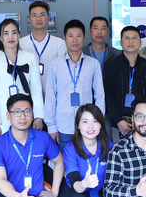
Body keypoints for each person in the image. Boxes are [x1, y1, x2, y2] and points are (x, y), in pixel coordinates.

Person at [44, 19, 105, 149]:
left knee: (86, 158)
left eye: (78, 36)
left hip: (88, 125)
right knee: (64, 159)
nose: (75, 40)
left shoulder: (93, 64)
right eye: (71, 36)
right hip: (63, 125)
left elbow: (100, 95)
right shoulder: (55, 64)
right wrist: (51, 126)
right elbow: (50, 96)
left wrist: (98, 121)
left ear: (84, 38)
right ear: (64, 38)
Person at [0, 18, 45, 138]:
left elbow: (36, 91)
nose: (10, 37)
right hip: (3, 116)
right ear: (0, 37)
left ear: (19, 35)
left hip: (25, 114)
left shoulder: (30, 58)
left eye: (14, 32)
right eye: (6, 33)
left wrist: (38, 117)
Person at [103, 25, 146, 142]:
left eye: (134, 38)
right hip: (118, 123)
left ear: (140, 42)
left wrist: (142, 119)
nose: (131, 41)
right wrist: (118, 121)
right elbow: (108, 96)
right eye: (127, 38)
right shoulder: (111, 65)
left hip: (143, 122)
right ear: (121, 43)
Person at [18, 0, 67, 78]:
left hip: (52, 86)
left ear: (48, 18)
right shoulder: (20, 44)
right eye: (34, 15)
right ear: (29, 19)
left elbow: (62, 72)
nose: (38, 19)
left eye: (42, 15)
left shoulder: (60, 44)